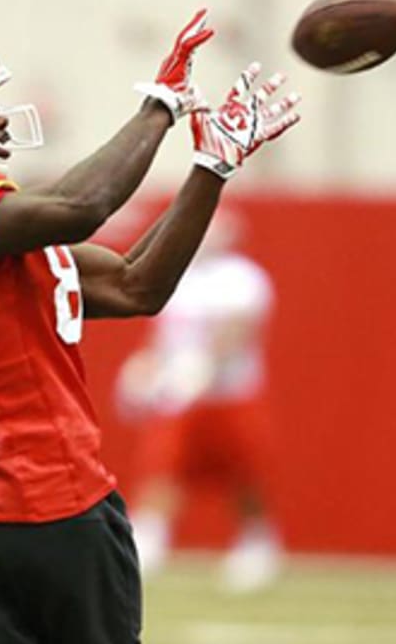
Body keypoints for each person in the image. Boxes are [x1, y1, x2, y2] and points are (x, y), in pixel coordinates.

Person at [0, 8, 300, 644]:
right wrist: (162, 105)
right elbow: (80, 206)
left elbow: (135, 286)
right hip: (52, 504)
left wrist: (211, 167)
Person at [119, 210, 282, 591]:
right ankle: (150, 539)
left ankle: (257, 542)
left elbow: (236, 331)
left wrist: (203, 365)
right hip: (180, 395)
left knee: (244, 473)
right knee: (164, 464)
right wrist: (146, 369)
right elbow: (162, 335)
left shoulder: (242, 277)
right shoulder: (180, 278)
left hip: (230, 393)